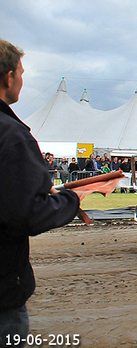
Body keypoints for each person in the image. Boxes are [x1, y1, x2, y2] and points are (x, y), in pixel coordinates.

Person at [0, 39, 80, 346]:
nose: (22, 79)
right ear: (9, 77)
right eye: (21, 73)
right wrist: (71, 199)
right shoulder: (12, 135)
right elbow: (26, 213)